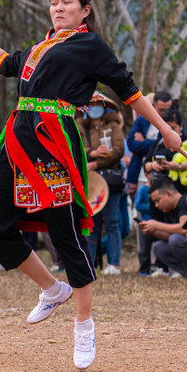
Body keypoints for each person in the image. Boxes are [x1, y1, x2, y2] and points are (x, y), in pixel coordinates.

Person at [0, 0, 180, 369]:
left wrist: (164, 128)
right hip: (18, 138)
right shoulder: (41, 46)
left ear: (85, 11)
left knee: (67, 235)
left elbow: (130, 92)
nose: (58, 7)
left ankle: (84, 325)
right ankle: (52, 288)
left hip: (54, 144)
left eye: (66, 2)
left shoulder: (90, 45)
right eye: (54, 2)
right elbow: (2, 63)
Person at [80, 93, 126, 274]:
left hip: (110, 179)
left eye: (97, 104)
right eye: (90, 104)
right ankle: (90, 263)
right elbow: (78, 149)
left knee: (112, 221)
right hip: (90, 181)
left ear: (104, 106)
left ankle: (114, 264)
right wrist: (93, 153)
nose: (94, 107)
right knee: (91, 222)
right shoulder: (81, 127)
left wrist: (98, 161)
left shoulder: (113, 125)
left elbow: (118, 149)